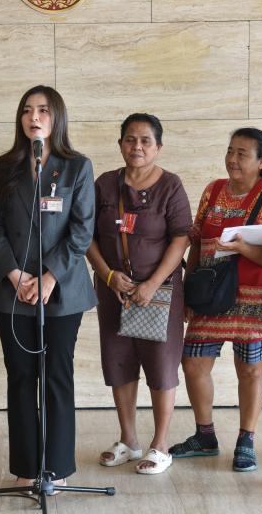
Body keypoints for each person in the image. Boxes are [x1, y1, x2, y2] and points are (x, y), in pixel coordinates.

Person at [0, 85, 96, 490]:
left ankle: (58, 468)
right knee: (20, 377)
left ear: (57, 117)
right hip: (12, 290)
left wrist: (49, 277)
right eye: (27, 110)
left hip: (62, 292)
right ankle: (27, 467)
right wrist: (15, 275)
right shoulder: (5, 166)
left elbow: (82, 230)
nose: (34, 117)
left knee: (56, 376)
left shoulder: (76, 167)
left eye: (44, 110)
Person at [169, 128, 262, 473]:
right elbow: (195, 240)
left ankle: (246, 440)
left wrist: (244, 248)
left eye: (242, 154)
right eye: (230, 151)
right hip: (210, 293)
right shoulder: (213, 189)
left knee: (249, 368)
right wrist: (188, 288)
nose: (233, 160)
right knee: (193, 362)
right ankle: (205, 436)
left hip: (254, 296)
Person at [86, 114, 191, 475]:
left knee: (161, 364)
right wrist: (108, 275)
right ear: (120, 144)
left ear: (158, 147)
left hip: (159, 293)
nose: (137, 146)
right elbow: (86, 236)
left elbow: (180, 238)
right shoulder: (104, 184)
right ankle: (128, 440)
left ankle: (160, 445)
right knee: (119, 361)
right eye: (130, 139)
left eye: (146, 140)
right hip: (114, 291)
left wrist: (152, 284)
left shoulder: (171, 185)